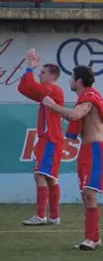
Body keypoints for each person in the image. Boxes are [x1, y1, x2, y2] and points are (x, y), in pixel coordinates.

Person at [42, 65, 103, 250]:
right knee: (86, 194)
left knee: (89, 193)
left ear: (79, 81)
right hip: (87, 149)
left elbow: (75, 115)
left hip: (94, 149)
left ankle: (90, 239)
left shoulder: (88, 98)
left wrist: (51, 104)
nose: (70, 82)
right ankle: (94, 238)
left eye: (72, 78)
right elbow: (75, 117)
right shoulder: (86, 97)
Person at [17, 50, 65, 227]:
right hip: (50, 139)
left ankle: (41, 215)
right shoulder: (47, 92)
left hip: (50, 138)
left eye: (43, 72)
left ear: (53, 76)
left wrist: (30, 66)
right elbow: (23, 88)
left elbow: (31, 86)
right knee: (50, 177)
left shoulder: (53, 90)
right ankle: (54, 217)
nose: (39, 74)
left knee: (40, 175)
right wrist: (28, 71)